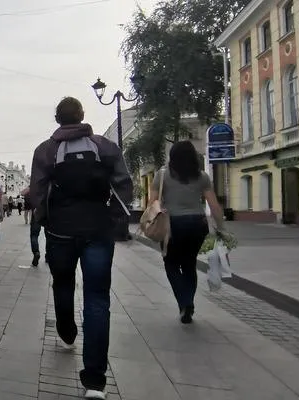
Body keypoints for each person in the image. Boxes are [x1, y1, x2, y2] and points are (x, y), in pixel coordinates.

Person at [30, 97, 133, 399]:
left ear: (58, 119)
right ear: (82, 116)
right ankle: (95, 382)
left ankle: (66, 329)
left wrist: (44, 219)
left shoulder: (46, 150)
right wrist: (113, 217)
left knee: (63, 283)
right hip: (98, 231)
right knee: (97, 299)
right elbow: (124, 184)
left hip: (60, 231)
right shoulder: (104, 147)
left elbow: (37, 192)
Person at [151, 141, 224, 324]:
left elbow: (153, 203)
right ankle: (188, 301)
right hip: (198, 224)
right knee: (189, 264)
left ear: (172, 156)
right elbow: (214, 205)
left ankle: (184, 303)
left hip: (172, 225)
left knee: (171, 264)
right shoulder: (202, 177)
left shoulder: (162, 175)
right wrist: (221, 228)